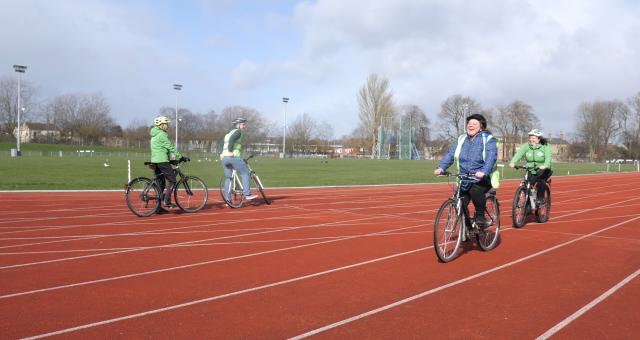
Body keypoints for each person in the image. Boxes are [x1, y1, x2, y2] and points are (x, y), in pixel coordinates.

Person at [434, 114, 498, 227]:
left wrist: (484, 172)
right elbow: (450, 154)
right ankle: (467, 228)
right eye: (469, 123)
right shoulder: (461, 139)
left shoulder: (488, 139)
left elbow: (491, 157)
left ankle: (480, 217)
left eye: (474, 124)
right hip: (464, 178)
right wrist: (441, 167)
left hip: (482, 178)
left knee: (475, 190)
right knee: (460, 202)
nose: (471, 126)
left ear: (481, 127)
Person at [150, 116, 188, 210]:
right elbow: (170, 146)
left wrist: (171, 161)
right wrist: (180, 156)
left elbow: (160, 149)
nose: (167, 126)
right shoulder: (162, 134)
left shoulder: (154, 134)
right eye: (166, 124)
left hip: (155, 161)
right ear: (161, 125)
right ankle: (167, 201)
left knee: (161, 184)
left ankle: (158, 208)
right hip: (162, 160)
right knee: (172, 180)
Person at [509, 128, 553, 204]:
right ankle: (529, 204)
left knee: (540, 181)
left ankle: (540, 198)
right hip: (531, 168)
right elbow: (518, 154)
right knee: (528, 183)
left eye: (533, 138)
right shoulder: (526, 146)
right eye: (530, 137)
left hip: (544, 168)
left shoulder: (545, 146)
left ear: (538, 138)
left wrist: (545, 165)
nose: (531, 139)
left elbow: (548, 157)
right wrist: (513, 162)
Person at [220, 117, 257, 200]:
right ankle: (247, 194)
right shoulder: (238, 132)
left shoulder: (228, 134)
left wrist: (221, 153)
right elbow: (232, 140)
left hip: (225, 159)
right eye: (243, 124)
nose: (244, 126)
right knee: (245, 173)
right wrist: (229, 151)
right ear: (239, 125)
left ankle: (227, 200)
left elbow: (221, 144)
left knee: (228, 178)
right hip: (233, 157)